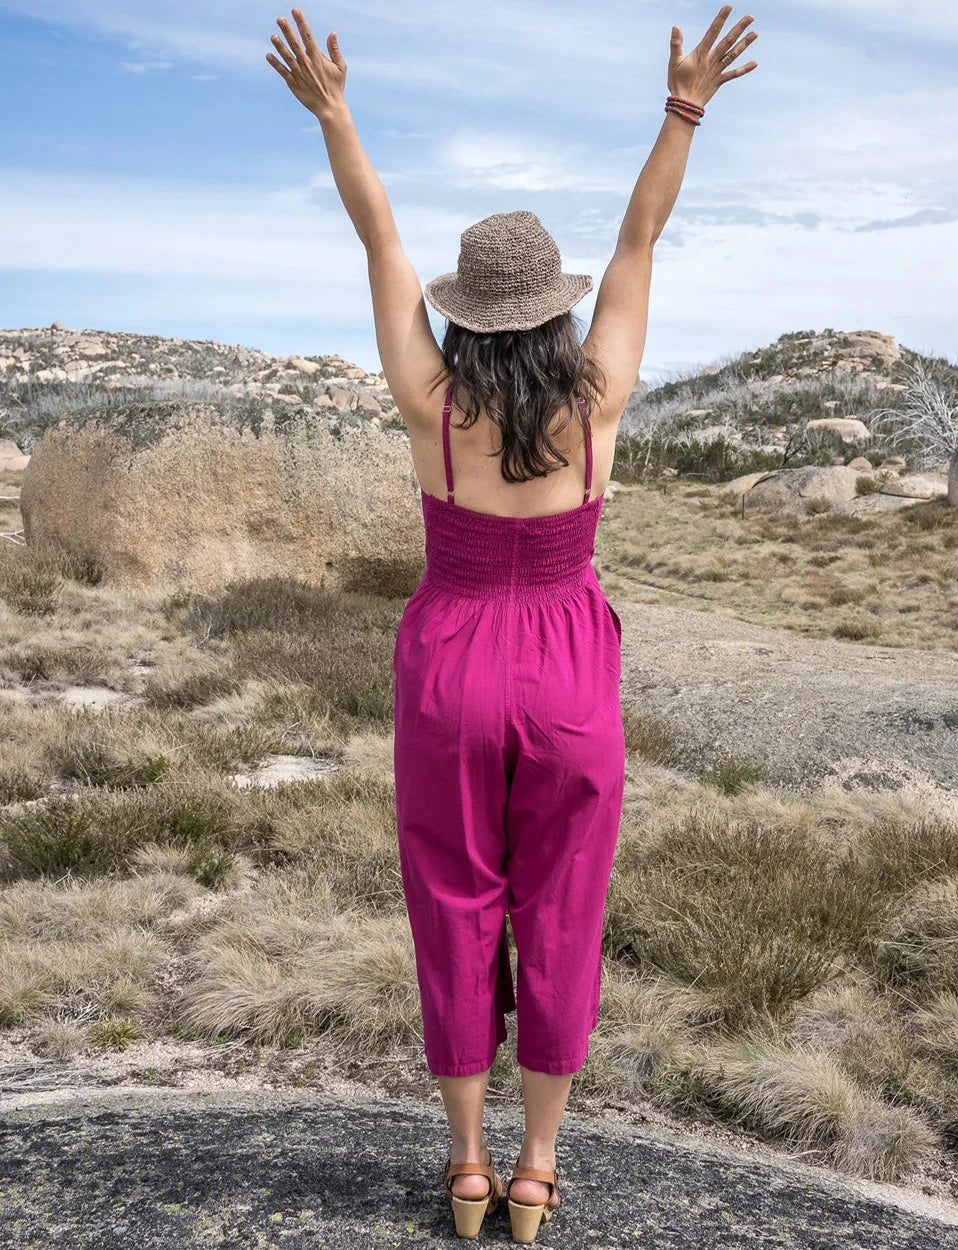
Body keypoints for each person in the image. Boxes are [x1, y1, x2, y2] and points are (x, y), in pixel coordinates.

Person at [266, 5, 758, 1240]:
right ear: (549, 310)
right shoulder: (595, 400)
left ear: (467, 316)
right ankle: (539, 1167)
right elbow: (642, 237)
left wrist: (336, 115)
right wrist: (682, 110)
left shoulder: (432, 401)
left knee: (452, 895)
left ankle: (471, 1165)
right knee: (562, 904)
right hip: (566, 659)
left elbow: (376, 233)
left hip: (450, 654)